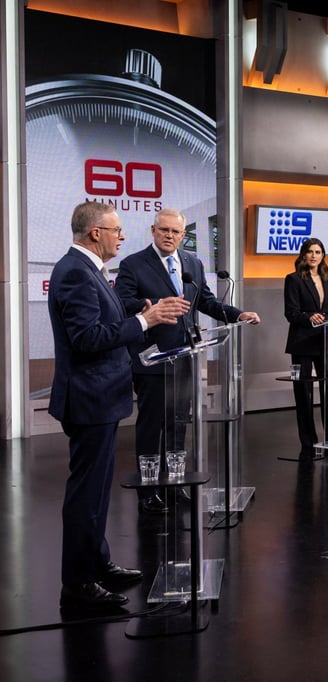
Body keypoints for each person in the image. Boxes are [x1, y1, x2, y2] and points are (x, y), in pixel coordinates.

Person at [48, 201, 190, 611]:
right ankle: (77, 584)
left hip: (101, 399)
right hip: (90, 399)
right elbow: (88, 338)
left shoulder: (87, 269)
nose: (122, 236)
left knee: (96, 495)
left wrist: (133, 309)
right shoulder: (75, 272)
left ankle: (98, 563)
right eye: (117, 229)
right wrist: (147, 321)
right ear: (96, 233)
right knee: (86, 495)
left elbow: (103, 318)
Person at [114, 208, 261, 515]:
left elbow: (205, 301)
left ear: (183, 236)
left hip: (185, 358)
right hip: (151, 359)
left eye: (175, 232)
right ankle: (149, 490)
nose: (169, 236)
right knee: (152, 425)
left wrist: (237, 314)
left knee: (178, 424)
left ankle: (176, 484)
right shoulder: (132, 265)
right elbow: (121, 303)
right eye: (163, 230)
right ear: (154, 231)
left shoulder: (192, 263)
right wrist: (150, 306)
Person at [284, 238, 328, 454]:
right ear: (303, 255)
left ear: (323, 255)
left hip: (325, 341)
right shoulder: (293, 279)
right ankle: (308, 442)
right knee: (304, 394)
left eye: (318, 252)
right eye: (310, 251)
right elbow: (291, 313)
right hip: (302, 342)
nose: (314, 255)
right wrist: (310, 317)